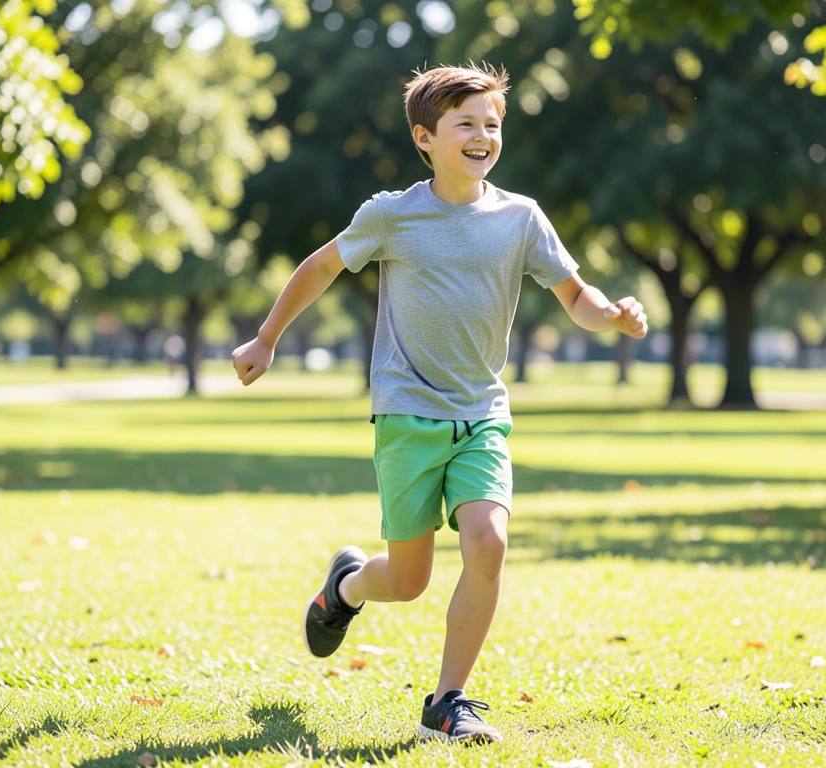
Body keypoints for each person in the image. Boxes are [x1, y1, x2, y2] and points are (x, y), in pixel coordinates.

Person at [231, 63, 648, 744]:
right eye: (466, 124)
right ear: (425, 137)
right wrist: (267, 338)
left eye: (492, 124)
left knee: (489, 540)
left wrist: (613, 314)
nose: (482, 135)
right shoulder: (392, 214)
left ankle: (447, 701)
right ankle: (344, 589)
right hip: (406, 413)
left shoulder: (521, 219)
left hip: (481, 414)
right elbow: (323, 266)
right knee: (408, 580)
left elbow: (575, 294)